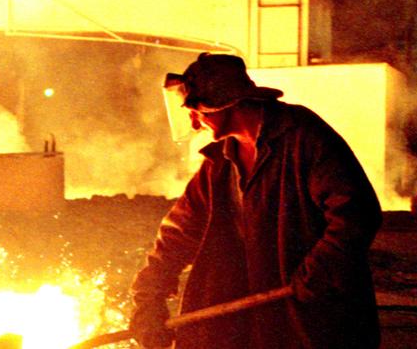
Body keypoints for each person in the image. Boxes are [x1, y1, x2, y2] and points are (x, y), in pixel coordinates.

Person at [129, 53, 382, 349]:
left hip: (316, 321)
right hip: (255, 325)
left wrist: (318, 271)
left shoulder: (303, 137)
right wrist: (149, 296)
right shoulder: (220, 163)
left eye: (198, 111)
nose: (195, 124)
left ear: (225, 102)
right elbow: (178, 233)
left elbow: (356, 213)